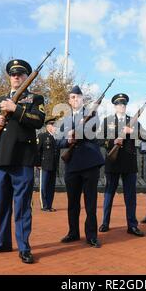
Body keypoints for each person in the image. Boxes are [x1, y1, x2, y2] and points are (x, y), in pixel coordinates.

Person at [0, 59, 45, 264]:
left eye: (20, 74)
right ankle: (2, 242)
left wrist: (15, 108)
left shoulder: (35, 98)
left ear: (27, 77)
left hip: (23, 159)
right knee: (1, 204)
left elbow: (39, 121)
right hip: (2, 159)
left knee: (22, 206)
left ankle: (24, 247)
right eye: (13, 74)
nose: (16, 77)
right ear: (9, 76)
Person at [57, 85, 104, 248]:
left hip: (90, 163)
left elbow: (91, 131)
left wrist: (76, 133)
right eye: (72, 97)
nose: (75, 99)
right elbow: (58, 141)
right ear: (69, 101)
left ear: (82, 99)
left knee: (90, 202)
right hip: (72, 165)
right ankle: (73, 232)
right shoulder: (65, 120)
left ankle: (91, 235)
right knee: (73, 202)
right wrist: (68, 140)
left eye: (77, 96)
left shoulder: (93, 115)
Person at [99, 93, 146, 237]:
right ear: (115, 106)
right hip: (113, 161)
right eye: (119, 104)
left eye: (124, 104)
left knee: (130, 196)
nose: (121, 106)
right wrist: (113, 142)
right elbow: (99, 140)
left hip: (129, 163)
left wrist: (133, 131)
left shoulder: (133, 122)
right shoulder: (107, 121)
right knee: (109, 194)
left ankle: (132, 226)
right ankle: (105, 222)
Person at [36, 116, 60, 212]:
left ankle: (49, 205)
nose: (55, 127)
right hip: (44, 165)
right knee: (44, 186)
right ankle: (44, 205)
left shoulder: (56, 137)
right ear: (48, 126)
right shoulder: (42, 136)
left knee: (51, 186)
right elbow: (37, 150)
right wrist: (37, 163)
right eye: (54, 125)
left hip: (53, 165)